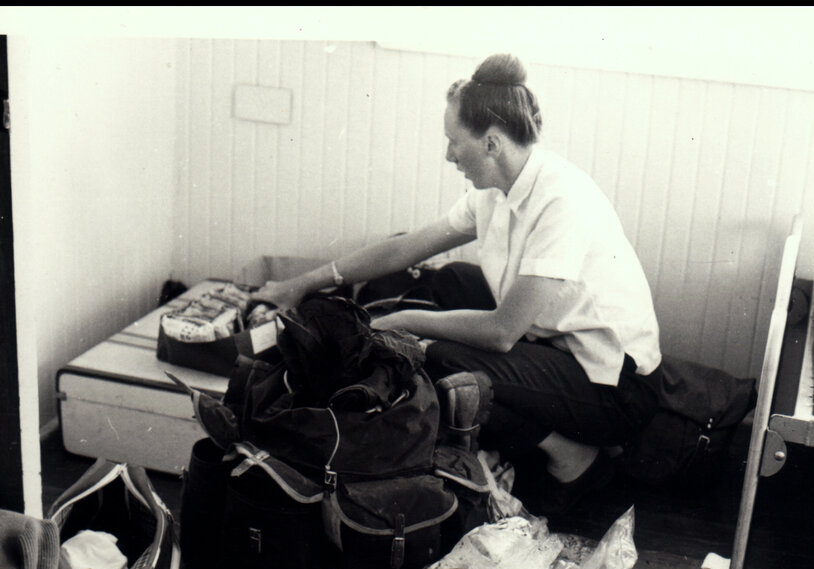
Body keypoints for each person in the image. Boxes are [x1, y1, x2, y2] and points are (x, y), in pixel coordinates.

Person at [251, 53, 663, 516]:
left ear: (491, 143)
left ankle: (575, 457)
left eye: (454, 142)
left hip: (614, 386)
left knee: (440, 356)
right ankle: (533, 437)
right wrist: (303, 284)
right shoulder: (495, 189)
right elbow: (405, 249)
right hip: (561, 348)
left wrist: (404, 321)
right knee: (450, 280)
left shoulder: (561, 200)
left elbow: (502, 332)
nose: (448, 155)